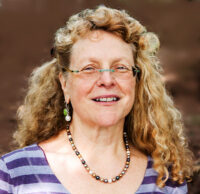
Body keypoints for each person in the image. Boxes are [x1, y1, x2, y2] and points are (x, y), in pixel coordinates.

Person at [0, 5, 193, 194]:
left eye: (120, 67)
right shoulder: (12, 175)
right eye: (89, 68)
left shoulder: (167, 180)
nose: (107, 80)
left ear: (136, 81)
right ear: (65, 84)